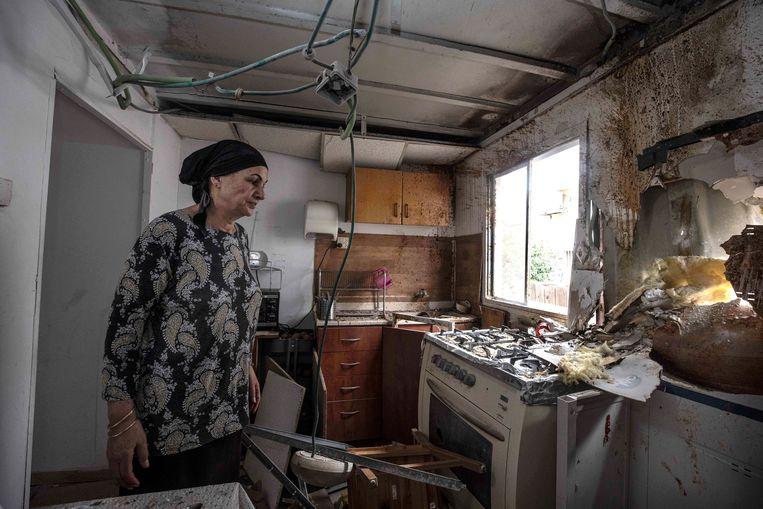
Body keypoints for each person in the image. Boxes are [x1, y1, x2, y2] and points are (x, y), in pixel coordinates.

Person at [101, 140, 268, 493]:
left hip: (224, 415)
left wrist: (245, 363)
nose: (261, 194)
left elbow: (232, 308)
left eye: (264, 185)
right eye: (253, 181)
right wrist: (120, 418)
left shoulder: (239, 238)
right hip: (169, 419)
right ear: (216, 179)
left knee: (214, 499)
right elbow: (124, 325)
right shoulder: (168, 234)